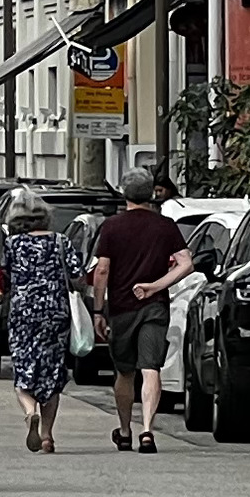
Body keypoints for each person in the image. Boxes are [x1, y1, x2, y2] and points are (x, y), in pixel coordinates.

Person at [87, 175, 195, 453]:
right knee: (151, 368)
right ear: (151, 195)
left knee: (124, 372)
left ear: (124, 194)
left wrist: (99, 310)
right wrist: (155, 286)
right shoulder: (165, 226)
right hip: (155, 307)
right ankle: (147, 430)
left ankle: (125, 430)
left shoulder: (112, 227)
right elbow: (186, 264)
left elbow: (102, 270)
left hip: (121, 309)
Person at [1, 204, 78, 452]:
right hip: (56, 312)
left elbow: (5, 277)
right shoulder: (60, 241)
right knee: (52, 372)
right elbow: (78, 275)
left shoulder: (12, 244)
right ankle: (47, 435)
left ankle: (29, 410)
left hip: (23, 313)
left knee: (23, 369)